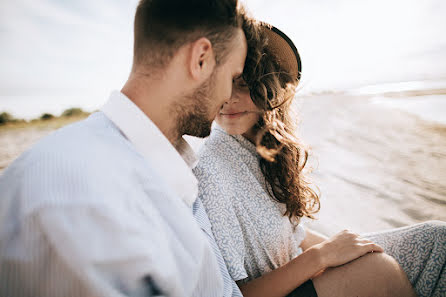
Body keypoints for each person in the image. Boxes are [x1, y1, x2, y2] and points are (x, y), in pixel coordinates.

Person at [0, 0, 249, 296]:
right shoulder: (78, 203)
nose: (229, 95)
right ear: (201, 59)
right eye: (232, 78)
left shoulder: (166, 168)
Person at [193, 21, 446, 297]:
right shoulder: (212, 169)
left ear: (268, 89)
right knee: (379, 270)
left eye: (243, 84)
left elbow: (294, 236)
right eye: (220, 84)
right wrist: (323, 257)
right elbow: (237, 293)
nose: (228, 98)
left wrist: (348, 251)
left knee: (435, 242)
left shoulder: (262, 150)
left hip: (299, 271)